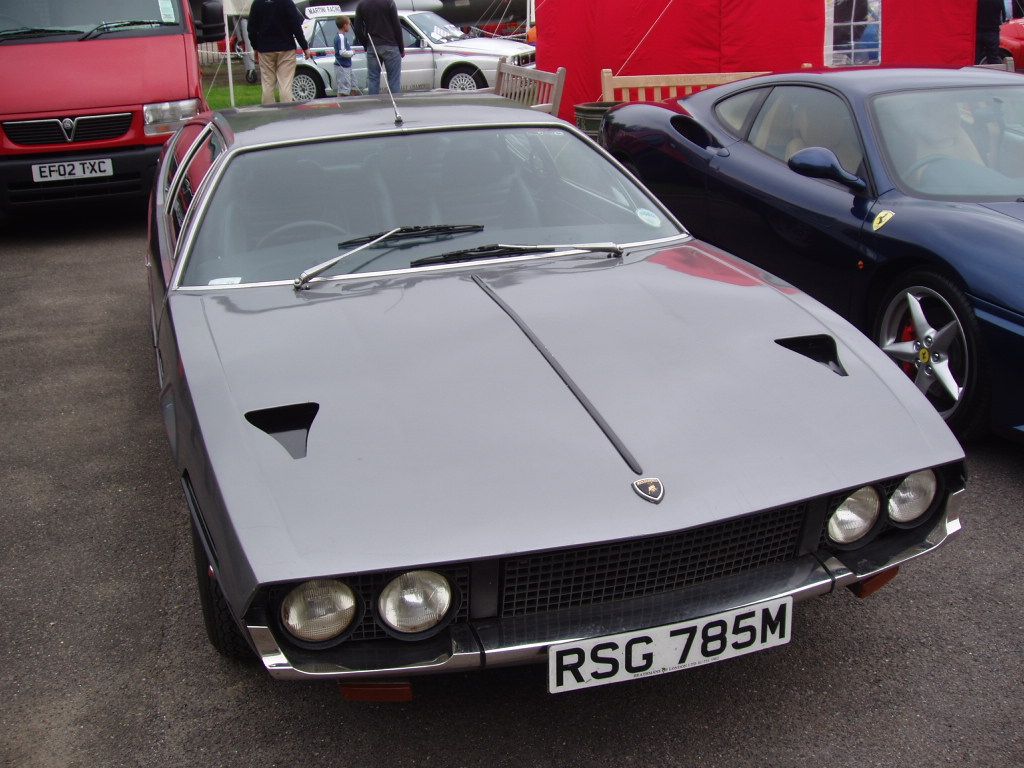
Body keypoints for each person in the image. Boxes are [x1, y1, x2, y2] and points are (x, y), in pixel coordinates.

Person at [247, 0, 312, 105]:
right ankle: (286, 114)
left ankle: (268, 115)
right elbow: (296, 26)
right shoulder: (286, 2)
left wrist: (255, 47)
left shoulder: (257, 3)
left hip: (265, 49)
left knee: (267, 84)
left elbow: (251, 29)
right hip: (286, 48)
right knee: (285, 84)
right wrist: (305, 47)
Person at [354, 0, 404, 96]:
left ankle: (373, 106)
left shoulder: (361, 4)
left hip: (372, 45)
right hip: (391, 45)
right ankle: (396, 102)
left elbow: (357, 29)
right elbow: (397, 26)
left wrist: (366, 44)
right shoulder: (389, 3)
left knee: (373, 79)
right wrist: (401, 48)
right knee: (394, 80)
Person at [976, 0, 1004, 64]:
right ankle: (994, 72)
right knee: (993, 58)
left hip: (978, 31)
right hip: (993, 31)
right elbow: (1003, 16)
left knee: (975, 57)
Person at [334, 16, 356, 96]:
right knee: (344, 90)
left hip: (346, 66)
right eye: (349, 24)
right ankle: (342, 106)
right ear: (344, 25)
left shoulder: (342, 37)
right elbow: (342, 52)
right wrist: (352, 52)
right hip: (342, 67)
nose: (350, 26)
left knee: (352, 86)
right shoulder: (341, 37)